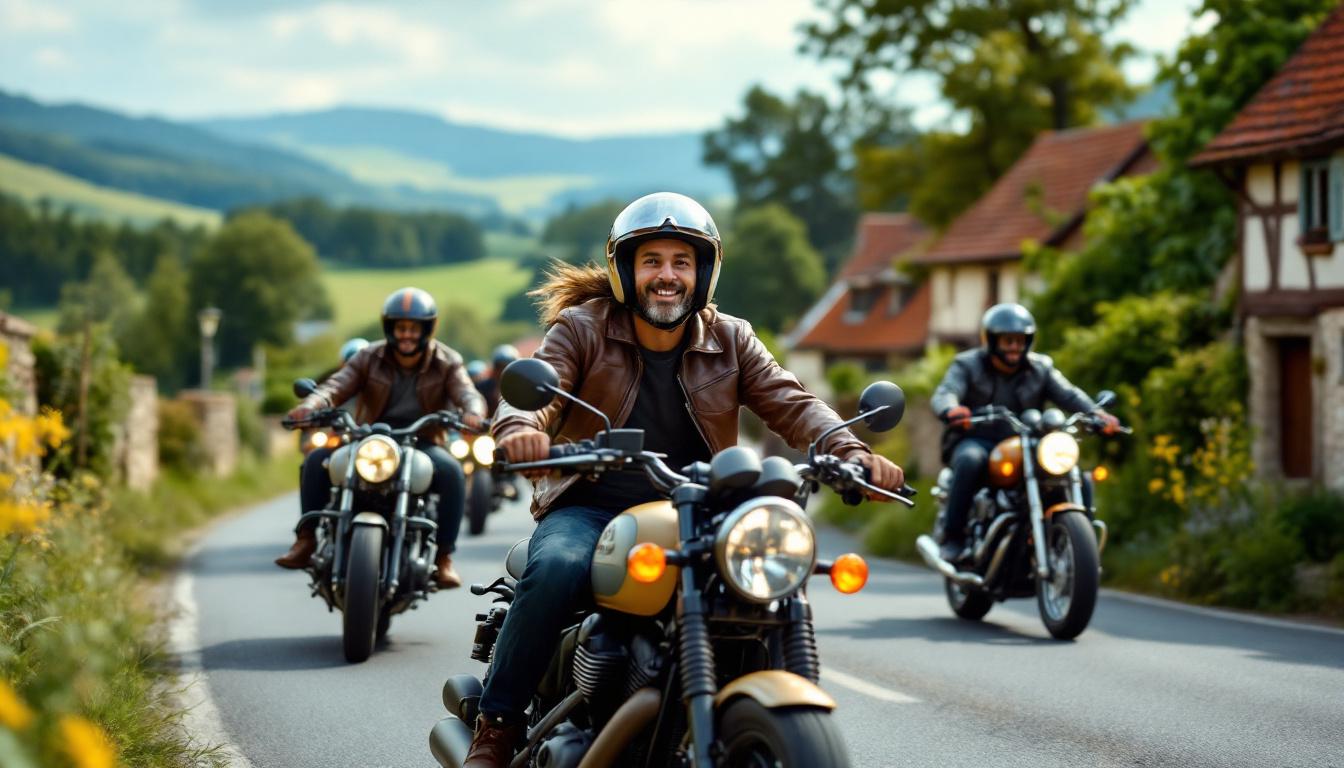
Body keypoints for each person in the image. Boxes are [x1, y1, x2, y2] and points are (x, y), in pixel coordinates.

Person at [462, 192, 906, 767]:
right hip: (591, 507)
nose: (667, 275)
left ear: (703, 273)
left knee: (771, 578)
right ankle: (497, 724)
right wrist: (521, 428)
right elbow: (538, 389)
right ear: (627, 271)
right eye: (652, 261)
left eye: (681, 262)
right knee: (557, 568)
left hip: (700, 512)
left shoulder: (732, 338)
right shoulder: (582, 328)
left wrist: (849, 449)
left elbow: (793, 403)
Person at [275, 287, 486, 589]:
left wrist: (474, 412)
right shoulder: (368, 356)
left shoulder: (447, 361)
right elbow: (335, 386)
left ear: (427, 329)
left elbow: (468, 393)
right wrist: (311, 405)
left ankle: (443, 558)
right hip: (368, 436)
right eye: (401, 327)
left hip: (421, 440)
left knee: (452, 471)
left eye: (414, 328)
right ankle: (306, 540)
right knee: (317, 460)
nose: (407, 335)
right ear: (390, 328)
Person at [929, 303, 1120, 563]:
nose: (1014, 347)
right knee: (969, 460)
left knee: (1077, 475)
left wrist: (1097, 414)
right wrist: (951, 409)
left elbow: (1069, 394)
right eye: (1007, 341)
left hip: (1029, 442)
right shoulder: (967, 364)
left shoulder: (1041, 368)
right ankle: (954, 538)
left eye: (1020, 340)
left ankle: (1080, 547)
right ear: (991, 340)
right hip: (979, 439)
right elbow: (946, 392)